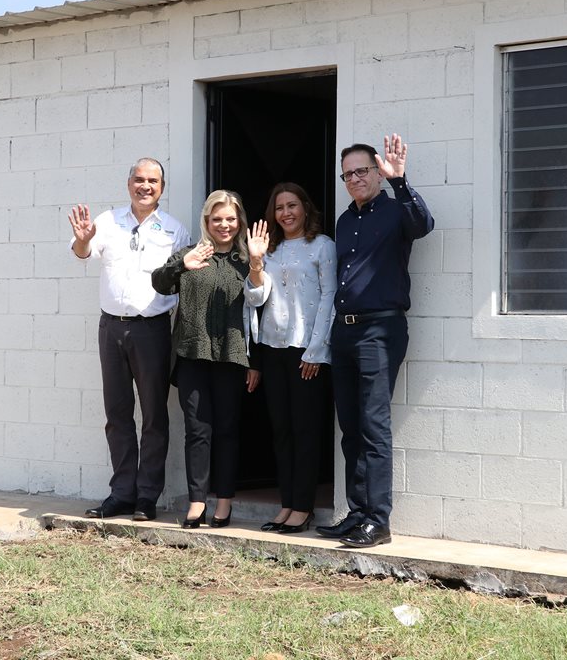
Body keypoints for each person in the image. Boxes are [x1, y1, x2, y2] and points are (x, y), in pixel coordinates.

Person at [317, 134, 434, 548]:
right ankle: (358, 512)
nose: (354, 179)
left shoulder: (396, 209)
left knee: (373, 425)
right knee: (349, 426)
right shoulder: (345, 220)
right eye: (347, 174)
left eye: (362, 171)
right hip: (344, 331)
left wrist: (401, 181)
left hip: (380, 329)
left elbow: (424, 225)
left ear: (378, 172)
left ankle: (378, 521)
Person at [69, 158, 190, 522]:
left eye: (153, 181)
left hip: (152, 330)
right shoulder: (106, 222)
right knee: (117, 414)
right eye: (139, 179)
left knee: (154, 416)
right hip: (111, 329)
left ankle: (146, 497)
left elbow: (184, 283)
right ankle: (121, 493)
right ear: (129, 184)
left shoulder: (174, 230)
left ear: (162, 188)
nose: (145, 186)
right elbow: (82, 254)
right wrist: (81, 240)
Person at [151, 190, 260, 529]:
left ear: (239, 221)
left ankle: (224, 502)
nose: (224, 225)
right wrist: (181, 264)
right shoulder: (191, 253)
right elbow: (160, 283)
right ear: (207, 222)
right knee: (198, 432)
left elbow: (261, 308)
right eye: (217, 219)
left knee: (227, 430)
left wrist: (255, 362)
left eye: (230, 218)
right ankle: (197, 501)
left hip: (232, 356)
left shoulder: (247, 260)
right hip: (191, 356)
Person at [245, 184, 336, 535]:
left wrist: (317, 349)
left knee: (305, 430)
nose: (286, 212)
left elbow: (330, 296)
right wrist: (255, 263)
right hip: (273, 347)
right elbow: (255, 298)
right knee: (281, 430)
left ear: (305, 207)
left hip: (306, 351)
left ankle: (303, 507)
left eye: (292, 205)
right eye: (280, 207)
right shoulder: (271, 251)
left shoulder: (323, 245)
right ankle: (286, 504)